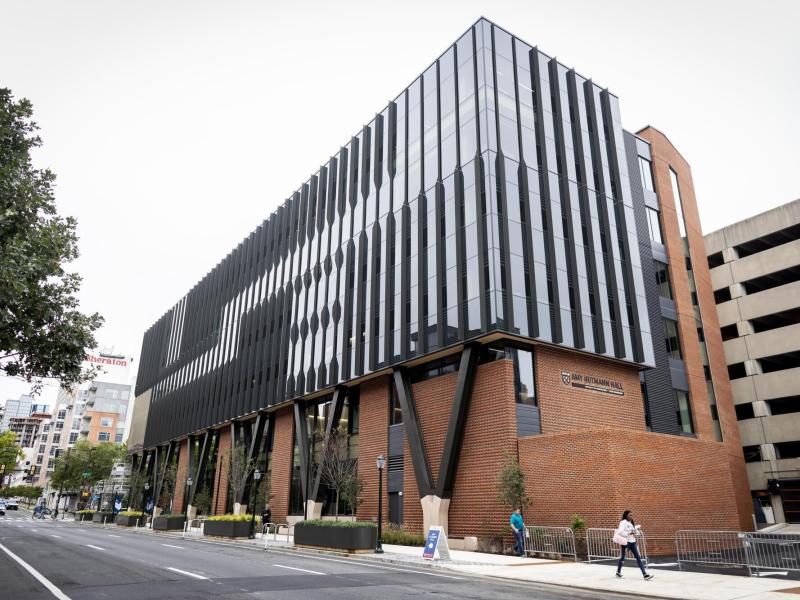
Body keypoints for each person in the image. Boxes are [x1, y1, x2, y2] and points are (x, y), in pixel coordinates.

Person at [615, 510, 653, 580]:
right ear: (626, 515)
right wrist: (629, 533)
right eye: (630, 515)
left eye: (632, 515)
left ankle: (645, 574)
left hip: (632, 542)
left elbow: (635, 532)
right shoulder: (623, 522)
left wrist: (635, 532)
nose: (631, 516)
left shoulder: (631, 523)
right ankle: (618, 572)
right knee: (623, 557)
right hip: (626, 542)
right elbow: (620, 532)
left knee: (638, 557)